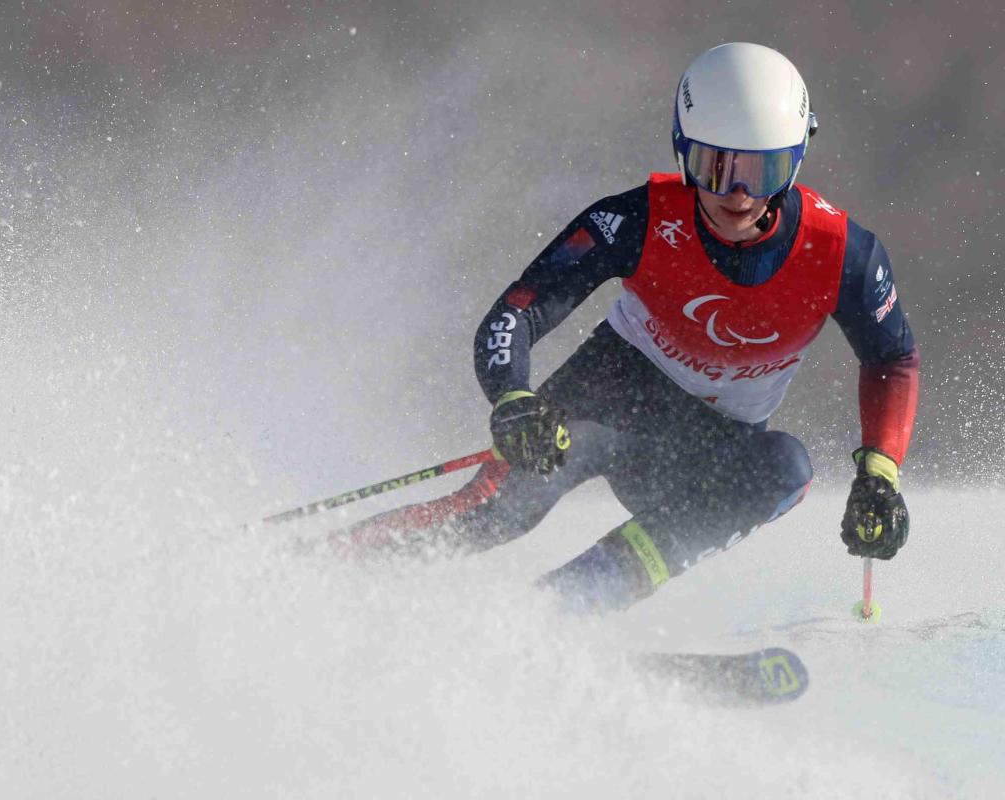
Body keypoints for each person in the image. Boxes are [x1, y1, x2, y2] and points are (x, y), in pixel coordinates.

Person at [334, 42, 919, 613]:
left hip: (705, 448)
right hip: (604, 398)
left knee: (787, 469)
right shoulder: (636, 219)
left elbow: (892, 359)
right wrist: (513, 398)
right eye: (714, 167)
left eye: (763, 170)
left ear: (796, 159)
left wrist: (880, 473)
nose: (737, 195)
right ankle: (320, 568)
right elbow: (519, 309)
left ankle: (558, 609)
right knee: (495, 511)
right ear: (681, 148)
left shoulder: (845, 254)